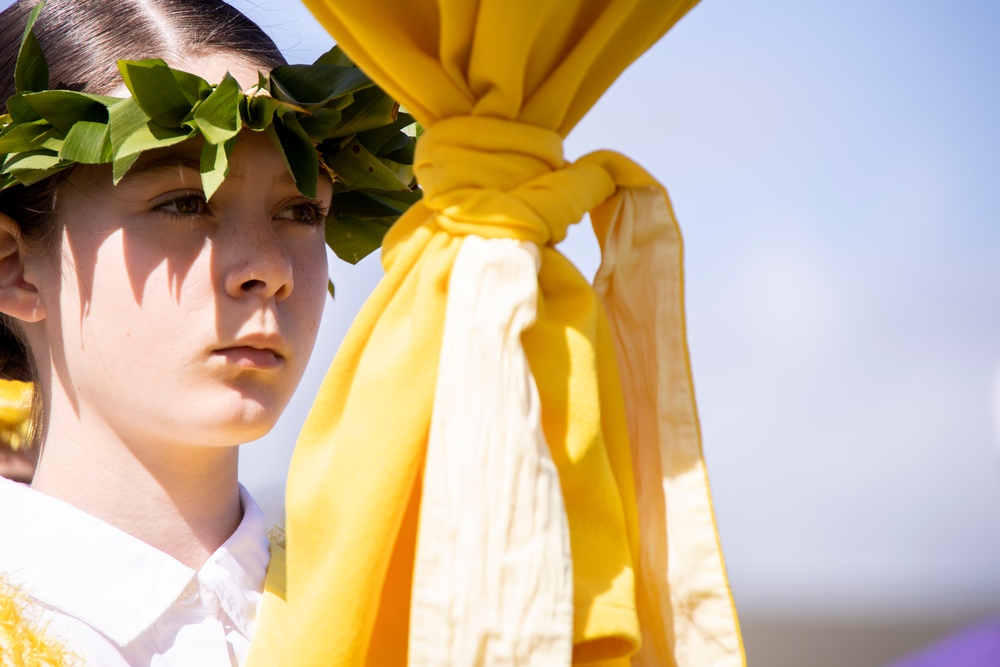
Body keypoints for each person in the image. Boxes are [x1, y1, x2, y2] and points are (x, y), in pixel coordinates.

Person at [0, 0, 414, 663]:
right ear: (14, 266)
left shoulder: (413, 620)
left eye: (302, 209)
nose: (268, 269)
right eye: (184, 203)